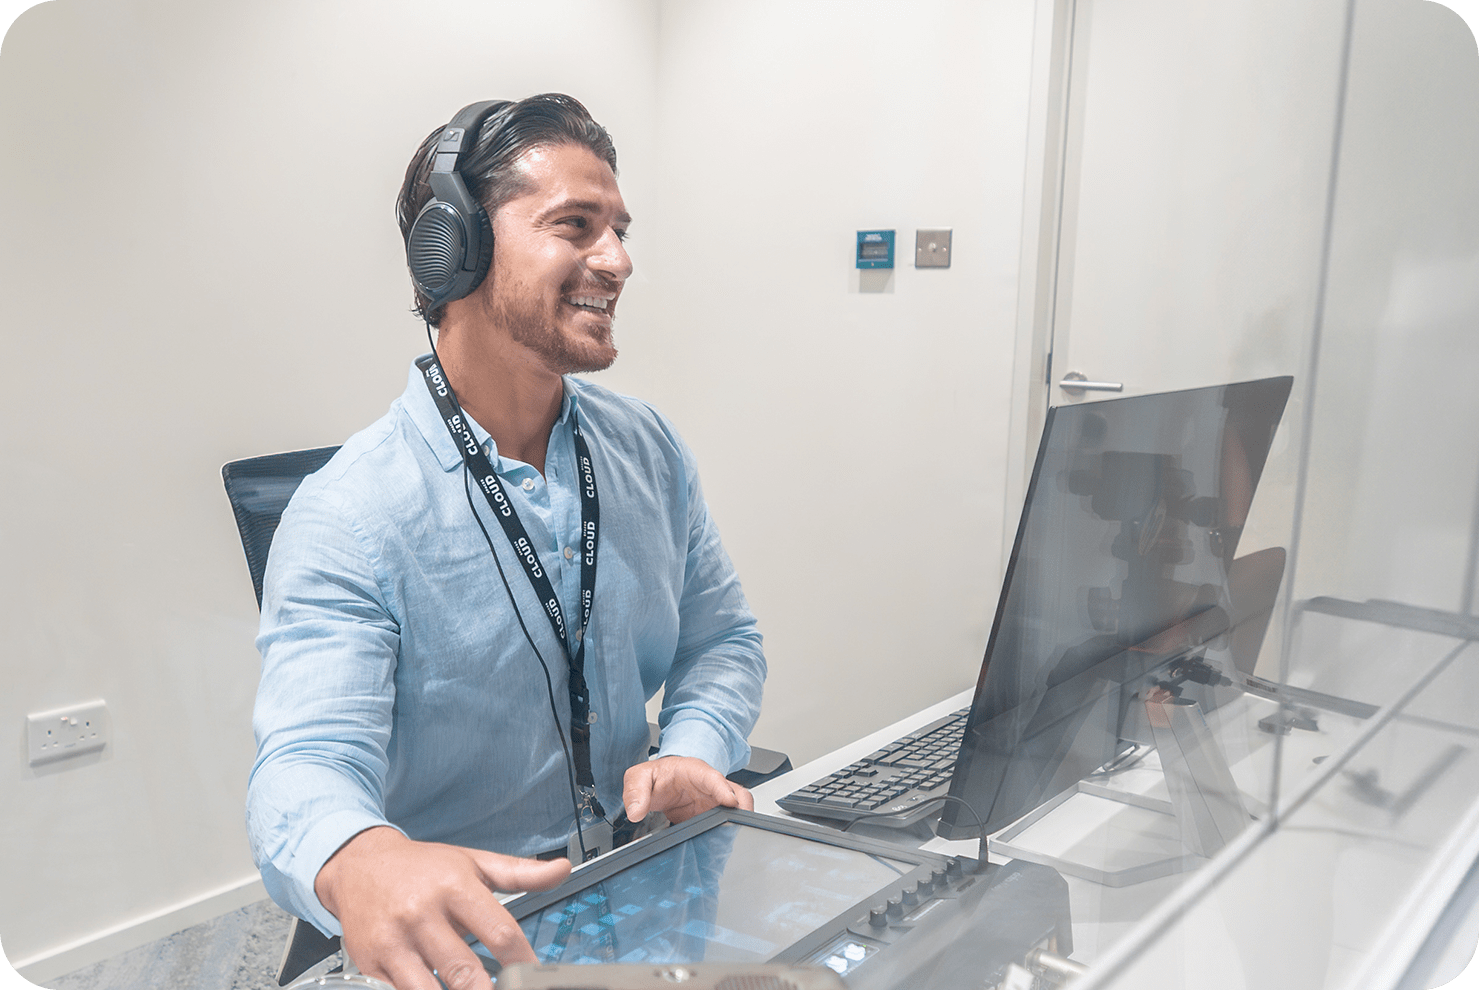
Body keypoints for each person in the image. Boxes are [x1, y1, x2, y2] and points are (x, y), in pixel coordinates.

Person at [247, 93, 767, 990]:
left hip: (640, 893)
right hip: (473, 940)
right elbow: (305, 763)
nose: (618, 260)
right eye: (576, 226)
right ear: (455, 250)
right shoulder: (350, 512)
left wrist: (691, 749)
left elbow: (722, 642)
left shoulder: (647, 446)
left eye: (619, 229)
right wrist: (359, 854)